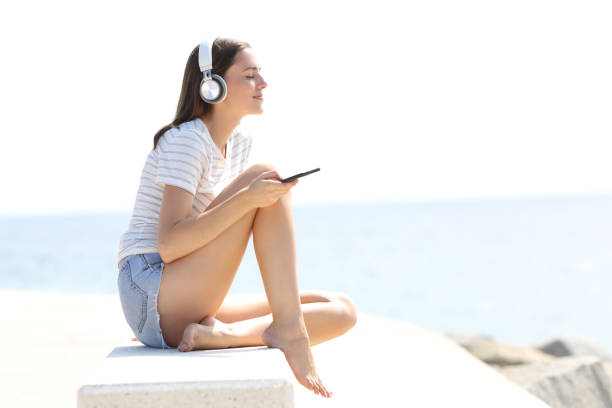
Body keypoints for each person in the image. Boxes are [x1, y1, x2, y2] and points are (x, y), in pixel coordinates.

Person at [116, 37, 357, 398]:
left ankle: (223, 336)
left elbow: (211, 228)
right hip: (150, 287)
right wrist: (247, 199)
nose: (262, 83)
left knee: (340, 310)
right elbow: (168, 246)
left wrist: (249, 199)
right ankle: (289, 333)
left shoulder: (238, 140)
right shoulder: (187, 141)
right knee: (267, 179)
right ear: (213, 86)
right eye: (249, 75)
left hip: (181, 297)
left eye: (260, 74)